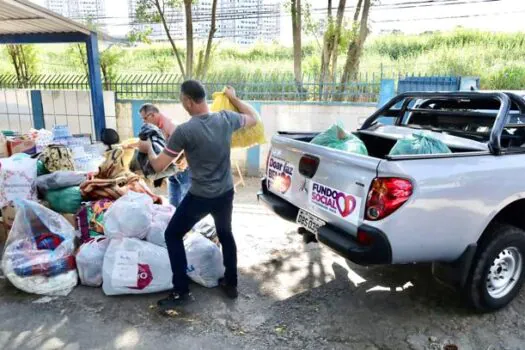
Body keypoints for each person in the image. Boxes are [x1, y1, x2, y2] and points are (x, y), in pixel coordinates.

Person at [141, 80, 257, 309]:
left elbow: (159, 166)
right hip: (225, 192)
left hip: (200, 196)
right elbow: (254, 118)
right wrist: (234, 98)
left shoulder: (185, 131)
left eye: (182, 99)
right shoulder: (226, 118)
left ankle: (181, 291)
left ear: (188, 101)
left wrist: (147, 150)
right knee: (226, 234)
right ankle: (231, 284)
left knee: (173, 234)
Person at [129, 103, 191, 207]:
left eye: (144, 118)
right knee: (173, 200)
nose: (143, 121)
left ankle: (187, 222)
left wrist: (185, 161)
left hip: (183, 168)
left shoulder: (170, 125)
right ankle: (174, 220)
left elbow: (186, 142)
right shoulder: (155, 128)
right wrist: (129, 146)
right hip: (171, 167)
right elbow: (147, 143)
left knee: (186, 201)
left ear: (152, 115)